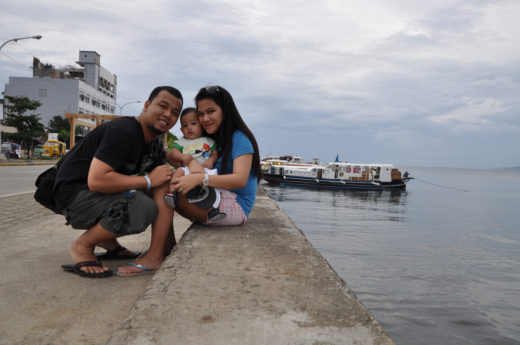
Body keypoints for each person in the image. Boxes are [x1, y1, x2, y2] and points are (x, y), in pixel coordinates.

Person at [54, 86, 183, 278]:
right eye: (163, 106)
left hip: (96, 196)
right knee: (142, 207)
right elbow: (97, 180)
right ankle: (83, 246)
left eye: (175, 113)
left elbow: (162, 182)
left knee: (163, 185)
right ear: (147, 105)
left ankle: (156, 248)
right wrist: (147, 180)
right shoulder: (123, 130)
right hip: (74, 197)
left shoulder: (153, 143)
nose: (168, 115)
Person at [170, 85, 261, 226]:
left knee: (168, 188)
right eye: (201, 114)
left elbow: (240, 180)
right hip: (217, 196)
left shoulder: (240, 138)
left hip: (237, 206)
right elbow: (170, 156)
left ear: (225, 110)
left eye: (211, 111)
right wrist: (189, 162)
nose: (205, 118)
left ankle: (163, 246)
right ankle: (166, 245)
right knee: (164, 183)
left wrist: (201, 178)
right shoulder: (213, 140)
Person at [163, 107, 226, 222]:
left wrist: (211, 160)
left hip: (205, 169)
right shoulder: (182, 141)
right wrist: (182, 157)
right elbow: (174, 153)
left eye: (193, 124)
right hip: (188, 169)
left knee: (215, 185)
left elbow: (215, 153)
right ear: (181, 130)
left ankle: (215, 210)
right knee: (178, 172)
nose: (189, 128)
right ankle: (172, 193)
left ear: (201, 125)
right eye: (185, 126)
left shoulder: (208, 140)